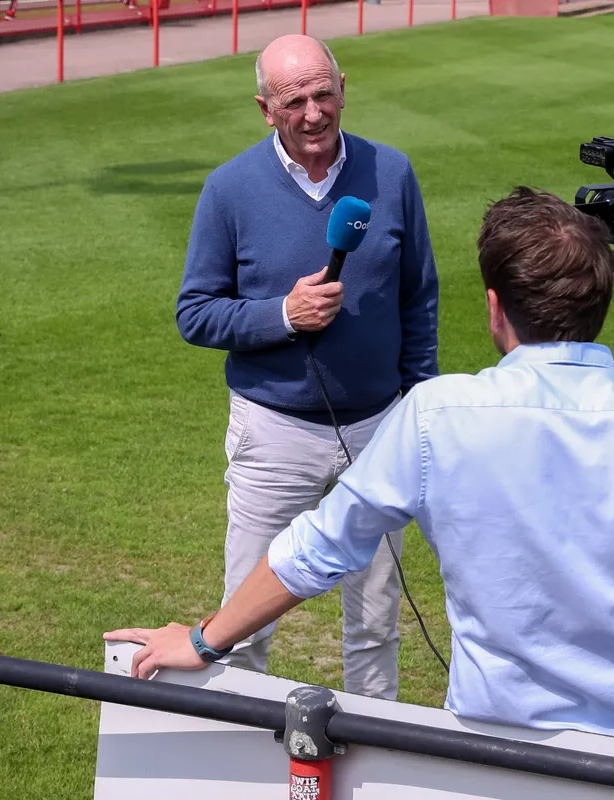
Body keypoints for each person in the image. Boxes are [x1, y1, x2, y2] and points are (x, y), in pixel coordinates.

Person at [109, 188, 614, 750]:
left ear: (494, 309)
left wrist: (204, 641)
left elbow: (316, 549)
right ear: (599, 304)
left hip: (497, 756)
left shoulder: (438, 415)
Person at [171, 34, 440, 700]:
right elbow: (196, 313)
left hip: (379, 429)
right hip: (274, 435)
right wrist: (283, 315)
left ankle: (371, 742)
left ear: (344, 89)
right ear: (266, 109)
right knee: (243, 622)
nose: (314, 113)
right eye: (295, 102)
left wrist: (418, 402)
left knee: (375, 620)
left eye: (324, 94)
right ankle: (236, 743)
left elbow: (418, 297)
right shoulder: (229, 189)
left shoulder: (391, 173)